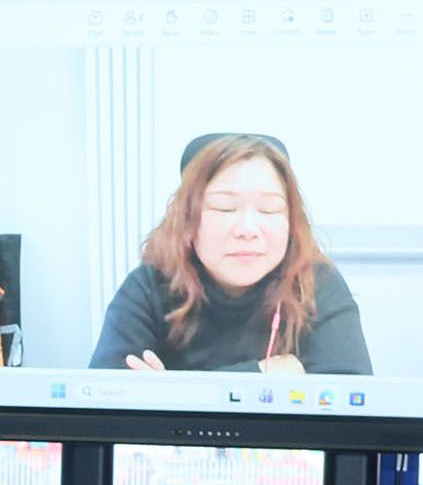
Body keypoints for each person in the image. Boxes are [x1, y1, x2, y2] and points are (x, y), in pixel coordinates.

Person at [85, 134, 369, 375]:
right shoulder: (150, 285)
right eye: (224, 208)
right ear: (187, 220)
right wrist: (262, 373)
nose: (247, 229)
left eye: (269, 210)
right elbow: (105, 402)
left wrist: (171, 397)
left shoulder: (316, 283)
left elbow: (353, 409)